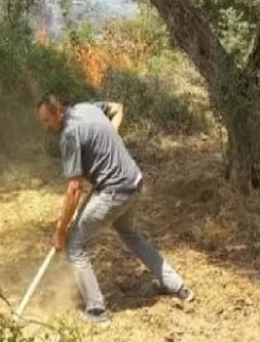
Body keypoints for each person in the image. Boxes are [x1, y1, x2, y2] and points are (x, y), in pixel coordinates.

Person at [36, 93, 194, 325]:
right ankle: (177, 286)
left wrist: (60, 231)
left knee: (74, 245)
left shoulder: (69, 135)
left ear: (59, 111)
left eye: (47, 120)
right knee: (130, 234)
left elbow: (74, 190)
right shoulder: (86, 108)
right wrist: (112, 135)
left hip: (115, 191)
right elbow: (117, 107)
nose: (46, 126)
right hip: (134, 181)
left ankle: (97, 312)